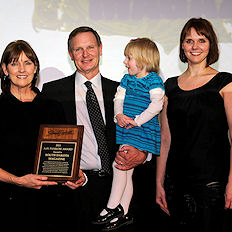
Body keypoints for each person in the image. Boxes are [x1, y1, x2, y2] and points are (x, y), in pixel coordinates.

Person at [41, 26, 150, 231]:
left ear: (100, 49)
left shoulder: (124, 91)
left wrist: (143, 153)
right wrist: (66, 172)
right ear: (70, 54)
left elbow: (143, 132)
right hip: (73, 192)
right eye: (78, 49)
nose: (85, 54)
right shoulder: (52, 92)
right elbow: (48, 146)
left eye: (90, 47)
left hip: (117, 185)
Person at [156, 17, 232, 231]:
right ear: (182, 46)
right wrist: (159, 183)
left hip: (213, 183)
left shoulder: (226, 82)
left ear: (211, 45)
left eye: (202, 40)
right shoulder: (169, 87)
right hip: (175, 183)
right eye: (189, 40)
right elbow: (165, 140)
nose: (195, 46)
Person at [0, 40, 73, 230]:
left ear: (35, 68)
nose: (22, 69)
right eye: (14, 63)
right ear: (4, 69)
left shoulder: (53, 108)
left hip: (48, 205)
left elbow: (65, 157)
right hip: (5, 204)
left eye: (27, 63)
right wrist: (18, 180)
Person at [93, 38, 164, 231]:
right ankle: (123, 213)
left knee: (120, 164)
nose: (125, 62)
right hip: (126, 128)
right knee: (126, 171)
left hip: (141, 130)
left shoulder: (154, 80)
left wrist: (137, 120)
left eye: (129, 58)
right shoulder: (127, 79)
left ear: (143, 58)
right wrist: (119, 115)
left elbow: (157, 104)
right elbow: (118, 98)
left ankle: (111, 207)